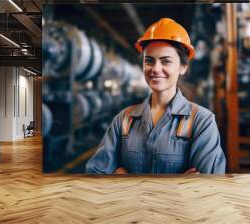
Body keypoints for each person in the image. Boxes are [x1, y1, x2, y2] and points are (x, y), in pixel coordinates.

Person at [86, 18, 226, 174]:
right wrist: (179, 183)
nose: (155, 69)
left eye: (166, 61)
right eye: (149, 61)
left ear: (183, 67)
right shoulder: (124, 120)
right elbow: (96, 171)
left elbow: (208, 186)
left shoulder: (202, 121)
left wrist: (119, 174)